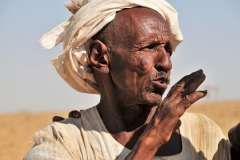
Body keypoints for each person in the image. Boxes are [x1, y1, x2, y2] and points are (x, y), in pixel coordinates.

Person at [24, 0, 239, 159]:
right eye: (149, 47)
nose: (167, 63)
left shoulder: (200, 132)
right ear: (100, 57)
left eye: (168, 49)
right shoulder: (64, 144)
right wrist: (152, 139)